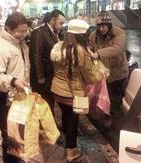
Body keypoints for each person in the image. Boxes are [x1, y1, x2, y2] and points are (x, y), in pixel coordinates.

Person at [50, 19, 109, 162]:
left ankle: (67, 142)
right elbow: (90, 78)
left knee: (65, 116)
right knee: (73, 121)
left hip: (57, 91)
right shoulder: (80, 51)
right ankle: (71, 151)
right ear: (82, 35)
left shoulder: (58, 46)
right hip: (72, 94)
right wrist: (103, 72)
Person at [0, 12, 31, 163]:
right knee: (10, 137)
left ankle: (18, 157)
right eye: (21, 31)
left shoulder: (19, 44)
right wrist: (13, 81)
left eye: (26, 30)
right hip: (4, 99)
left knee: (18, 133)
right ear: (8, 29)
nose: (24, 34)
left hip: (17, 97)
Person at [89, 10, 129, 125]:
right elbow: (89, 47)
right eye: (99, 26)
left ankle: (122, 118)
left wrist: (98, 54)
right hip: (106, 75)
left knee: (124, 98)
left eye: (104, 26)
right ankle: (116, 124)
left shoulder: (119, 32)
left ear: (109, 25)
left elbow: (117, 48)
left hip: (120, 72)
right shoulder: (93, 35)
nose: (102, 29)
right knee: (113, 100)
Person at [29, 9, 65, 112]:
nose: (62, 26)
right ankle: (45, 127)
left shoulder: (57, 33)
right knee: (44, 105)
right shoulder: (39, 32)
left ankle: (50, 125)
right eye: (61, 23)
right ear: (53, 20)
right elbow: (35, 56)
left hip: (51, 75)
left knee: (49, 103)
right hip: (43, 77)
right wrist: (40, 77)